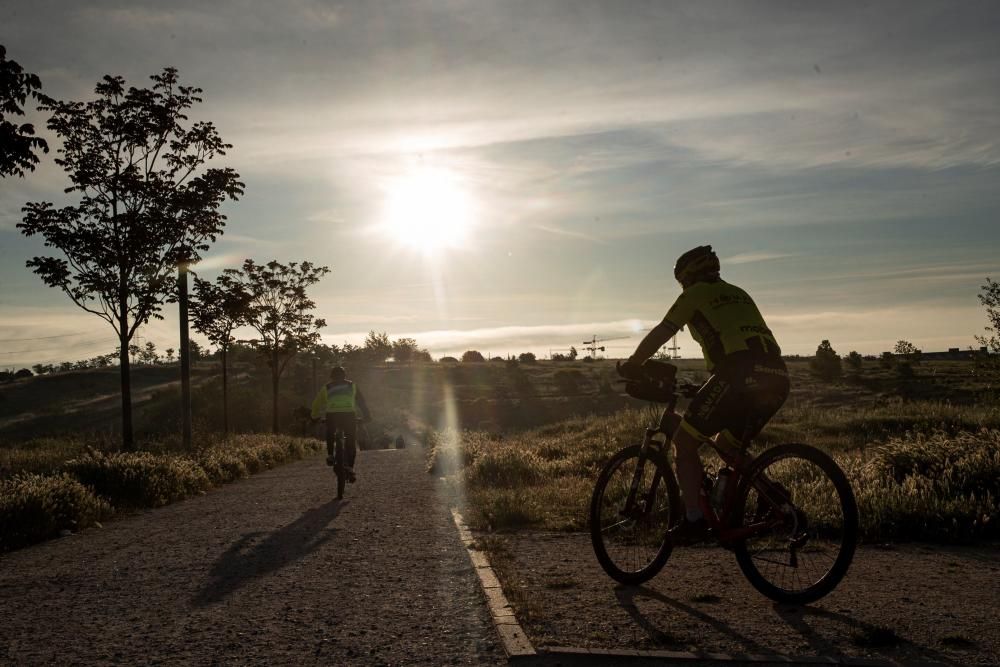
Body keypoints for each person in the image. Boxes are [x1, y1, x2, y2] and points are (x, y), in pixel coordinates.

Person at [621, 245, 789, 543]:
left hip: (737, 374)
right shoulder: (739, 292)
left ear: (688, 276)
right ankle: (773, 495)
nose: (683, 286)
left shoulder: (695, 294)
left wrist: (635, 363)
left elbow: (664, 330)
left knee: (684, 443)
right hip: (776, 376)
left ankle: (694, 520)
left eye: (682, 281)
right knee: (727, 445)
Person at [310, 366, 372, 484]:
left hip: (332, 415)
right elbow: (361, 402)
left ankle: (330, 455)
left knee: (330, 432)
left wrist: (314, 417)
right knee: (351, 440)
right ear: (345, 376)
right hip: (349, 415)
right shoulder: (352, 386)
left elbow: (316, 404)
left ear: (331, 377)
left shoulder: (327, 387)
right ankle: (350, 468)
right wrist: (367, 416)